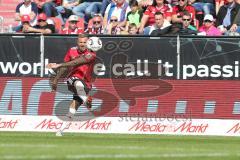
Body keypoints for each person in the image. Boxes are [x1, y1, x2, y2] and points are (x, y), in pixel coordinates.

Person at [46, 34, 96, 136]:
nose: (82, 44)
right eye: (80, 42)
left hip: (86, 84)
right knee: (75, 80)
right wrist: (56, 79)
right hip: (72, 79)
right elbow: (66, 67)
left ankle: (61, 130)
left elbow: (75, 62)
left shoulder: (92, 54)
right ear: (77, 43)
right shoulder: (71, 51)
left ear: (88, 43)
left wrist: (58, 65)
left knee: (73, 108)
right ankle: (86, 99)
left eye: (84, 42)